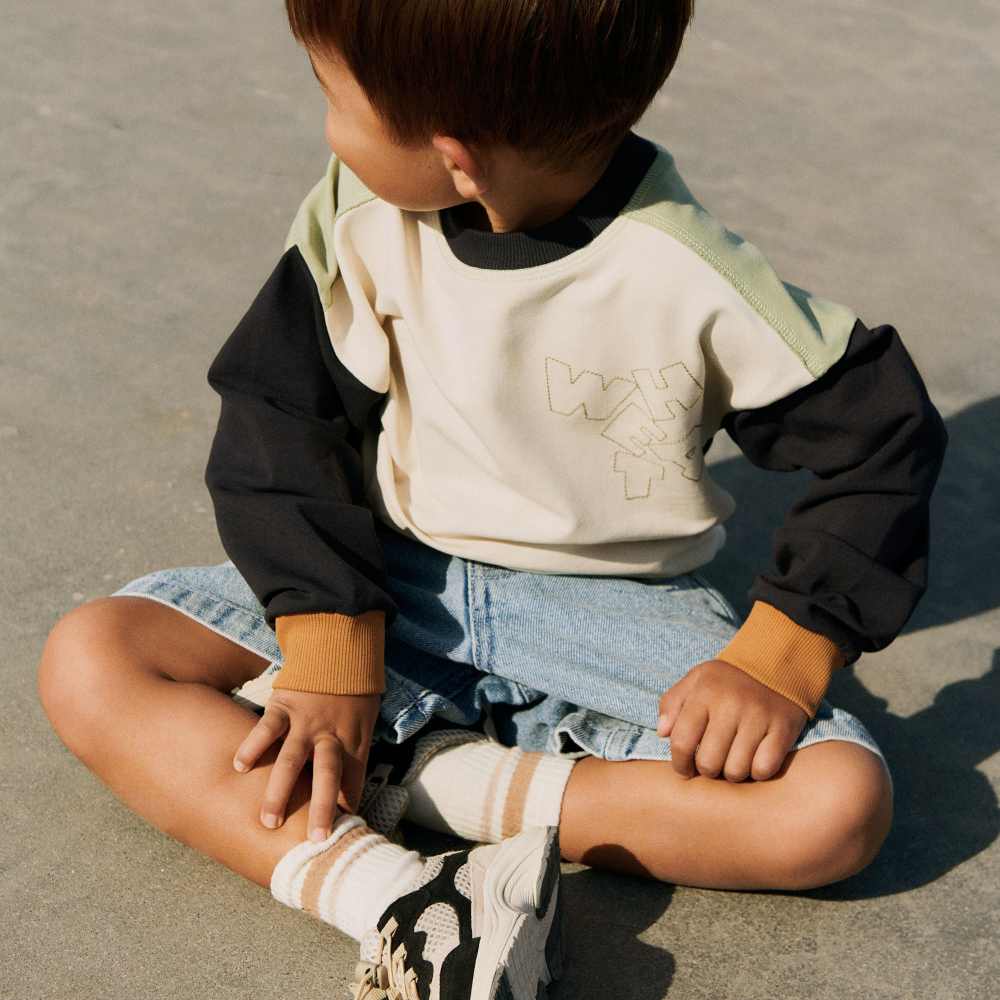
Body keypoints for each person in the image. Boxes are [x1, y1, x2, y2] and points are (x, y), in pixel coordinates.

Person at [37, 2, 949, 998]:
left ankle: (436, 783)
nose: (328, 132)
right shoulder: (359, 218)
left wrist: (779, 657)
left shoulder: (685, 274)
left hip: (612, 618)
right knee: (94, 656)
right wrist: (330, 641)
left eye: (335, 98)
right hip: (391, 584)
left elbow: (883, 436)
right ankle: (398, 898)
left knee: (833, 807)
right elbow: (280, 419)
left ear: (456, 158)